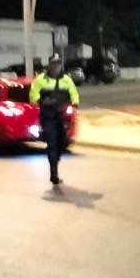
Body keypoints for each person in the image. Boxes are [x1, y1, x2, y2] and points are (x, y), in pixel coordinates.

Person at [29, 53, 79, 186]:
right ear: (49, 65)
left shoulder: (67, 80)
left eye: (58, 63)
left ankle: (55, 161)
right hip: (48, 116)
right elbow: (33, 95)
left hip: (62, 117)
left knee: (62, 142)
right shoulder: (41, 79)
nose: (56, 66)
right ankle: (54, 172)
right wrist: (42, 101)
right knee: (52, 143)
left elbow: (74, 92)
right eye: (53, 63)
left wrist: (75, 103)